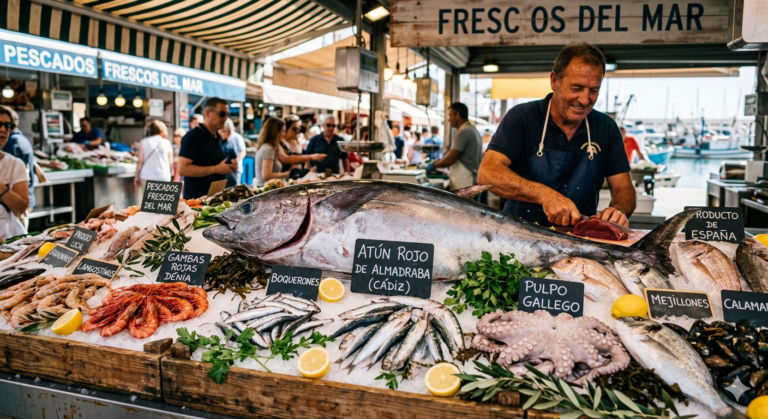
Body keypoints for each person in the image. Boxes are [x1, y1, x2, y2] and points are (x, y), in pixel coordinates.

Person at [477, 42, 635, 227]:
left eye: (593, 90)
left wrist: (618, 210)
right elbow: (488, 173)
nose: (585, 100)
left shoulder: (606, 127)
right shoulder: (523, 117)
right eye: (576, 88)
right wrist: (545, 195)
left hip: (579, 237)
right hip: (518, 235)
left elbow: (624, 189)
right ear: (554, 81)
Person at [178, 98, 237, 199]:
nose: (225, 118)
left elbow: (214, 162)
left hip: (215, 199)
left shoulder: (217, 136)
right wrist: (216, 169)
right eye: (222, 114)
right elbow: (182, 169)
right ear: (208, 113)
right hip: (197, 201)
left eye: (228, 114)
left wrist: (229, 166)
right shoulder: (193, 136)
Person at [425, 103, 482, 190]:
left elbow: (451, 159)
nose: (449, 120)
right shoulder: (473, 130)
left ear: (457, 115)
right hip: (471, 177)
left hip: (465, 179)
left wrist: (434, 165)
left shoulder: (463, 131)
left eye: (450, 115)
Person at [0, 106, 35, 228]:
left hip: (8, 235)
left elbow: (20, 209)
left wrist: (2, 188)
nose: (3, 129)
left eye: (8, 125)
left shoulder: (14, 164)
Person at [134, 120, 173, 187]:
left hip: (147, 176)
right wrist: (171, 172)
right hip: (163, 176)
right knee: (162, 194)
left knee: (147, 194)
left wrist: (136, 175)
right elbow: (170, 162)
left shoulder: (144, 142)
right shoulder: (167, 143)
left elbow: (140, 161)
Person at [219, 119, 247, 187]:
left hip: (234, 170)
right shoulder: (220, 139)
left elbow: (243, 151)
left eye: (223, 131)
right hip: (223, 170)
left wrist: (236, 160)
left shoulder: (237, 137)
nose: (221, 133)